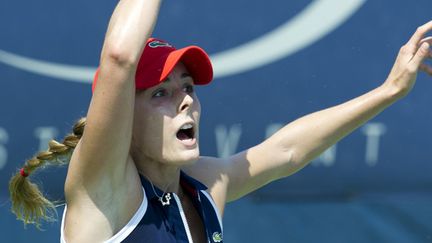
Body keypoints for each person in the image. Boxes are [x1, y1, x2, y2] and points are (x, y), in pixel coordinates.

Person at [8, 0, 432, 242]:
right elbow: (119, 57)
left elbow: (287, 151)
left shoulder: (205, 188)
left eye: (188, 86)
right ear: (121, 117)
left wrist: (389, 91)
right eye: (160, 93)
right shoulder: (104, 190)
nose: (186, 101)